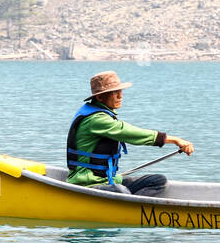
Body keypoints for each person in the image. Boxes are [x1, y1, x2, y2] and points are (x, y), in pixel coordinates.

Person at [66, 70, 194, 195]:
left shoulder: (98, 112)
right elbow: (130, 133)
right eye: (114, 93)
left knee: (158, 181)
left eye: (120, 91)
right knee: (121, 191)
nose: (120, 96)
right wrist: (175, 140)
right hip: (87, 183)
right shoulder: (96, 120)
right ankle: (128, 207)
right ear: (99, 97)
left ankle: (130, 206)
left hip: (107, 180)